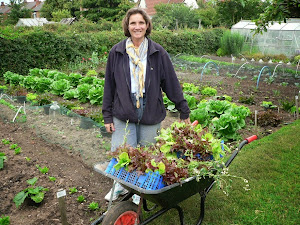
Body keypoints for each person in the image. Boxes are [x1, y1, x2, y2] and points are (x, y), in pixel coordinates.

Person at [102, 7, 191, 203]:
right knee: (123, 152)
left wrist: (183, 108)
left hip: (150, 109)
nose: (137, 27)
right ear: (127, 26)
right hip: (124, 108)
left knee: (147, 155)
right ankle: (119, 188)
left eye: (141, 23)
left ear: (147, 25)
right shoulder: (117, 52)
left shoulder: (157, 53)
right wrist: (107, 116)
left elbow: (171, 83)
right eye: (133, 23)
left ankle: (137, 193)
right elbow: (109, 85)